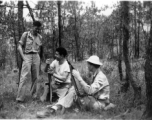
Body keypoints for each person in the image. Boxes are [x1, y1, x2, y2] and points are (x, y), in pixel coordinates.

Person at [36, 55, 115, 118]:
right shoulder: (96, 74)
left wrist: (78, 77)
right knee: (74, 89)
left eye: (88, 64)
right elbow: (90, 90)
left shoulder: (101, 77)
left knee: (74, 91)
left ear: (92, 65)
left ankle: (54, 109)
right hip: (95, 100)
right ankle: (56, 107)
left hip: (99, 104)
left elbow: (90, 91)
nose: (87, 66)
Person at [16, 21, 43, 102]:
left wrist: (39, 58)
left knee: (36, 77)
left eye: (38, 29)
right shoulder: (26, 34)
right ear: (32, 26)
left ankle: (34, 95)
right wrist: (23, 57)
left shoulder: (40, 37)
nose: (37, 30)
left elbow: (39, 49)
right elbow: (19, 47)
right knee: (24, 77)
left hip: (36, 56)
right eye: (36, 28)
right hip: (27, 55)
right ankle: (20, 98)